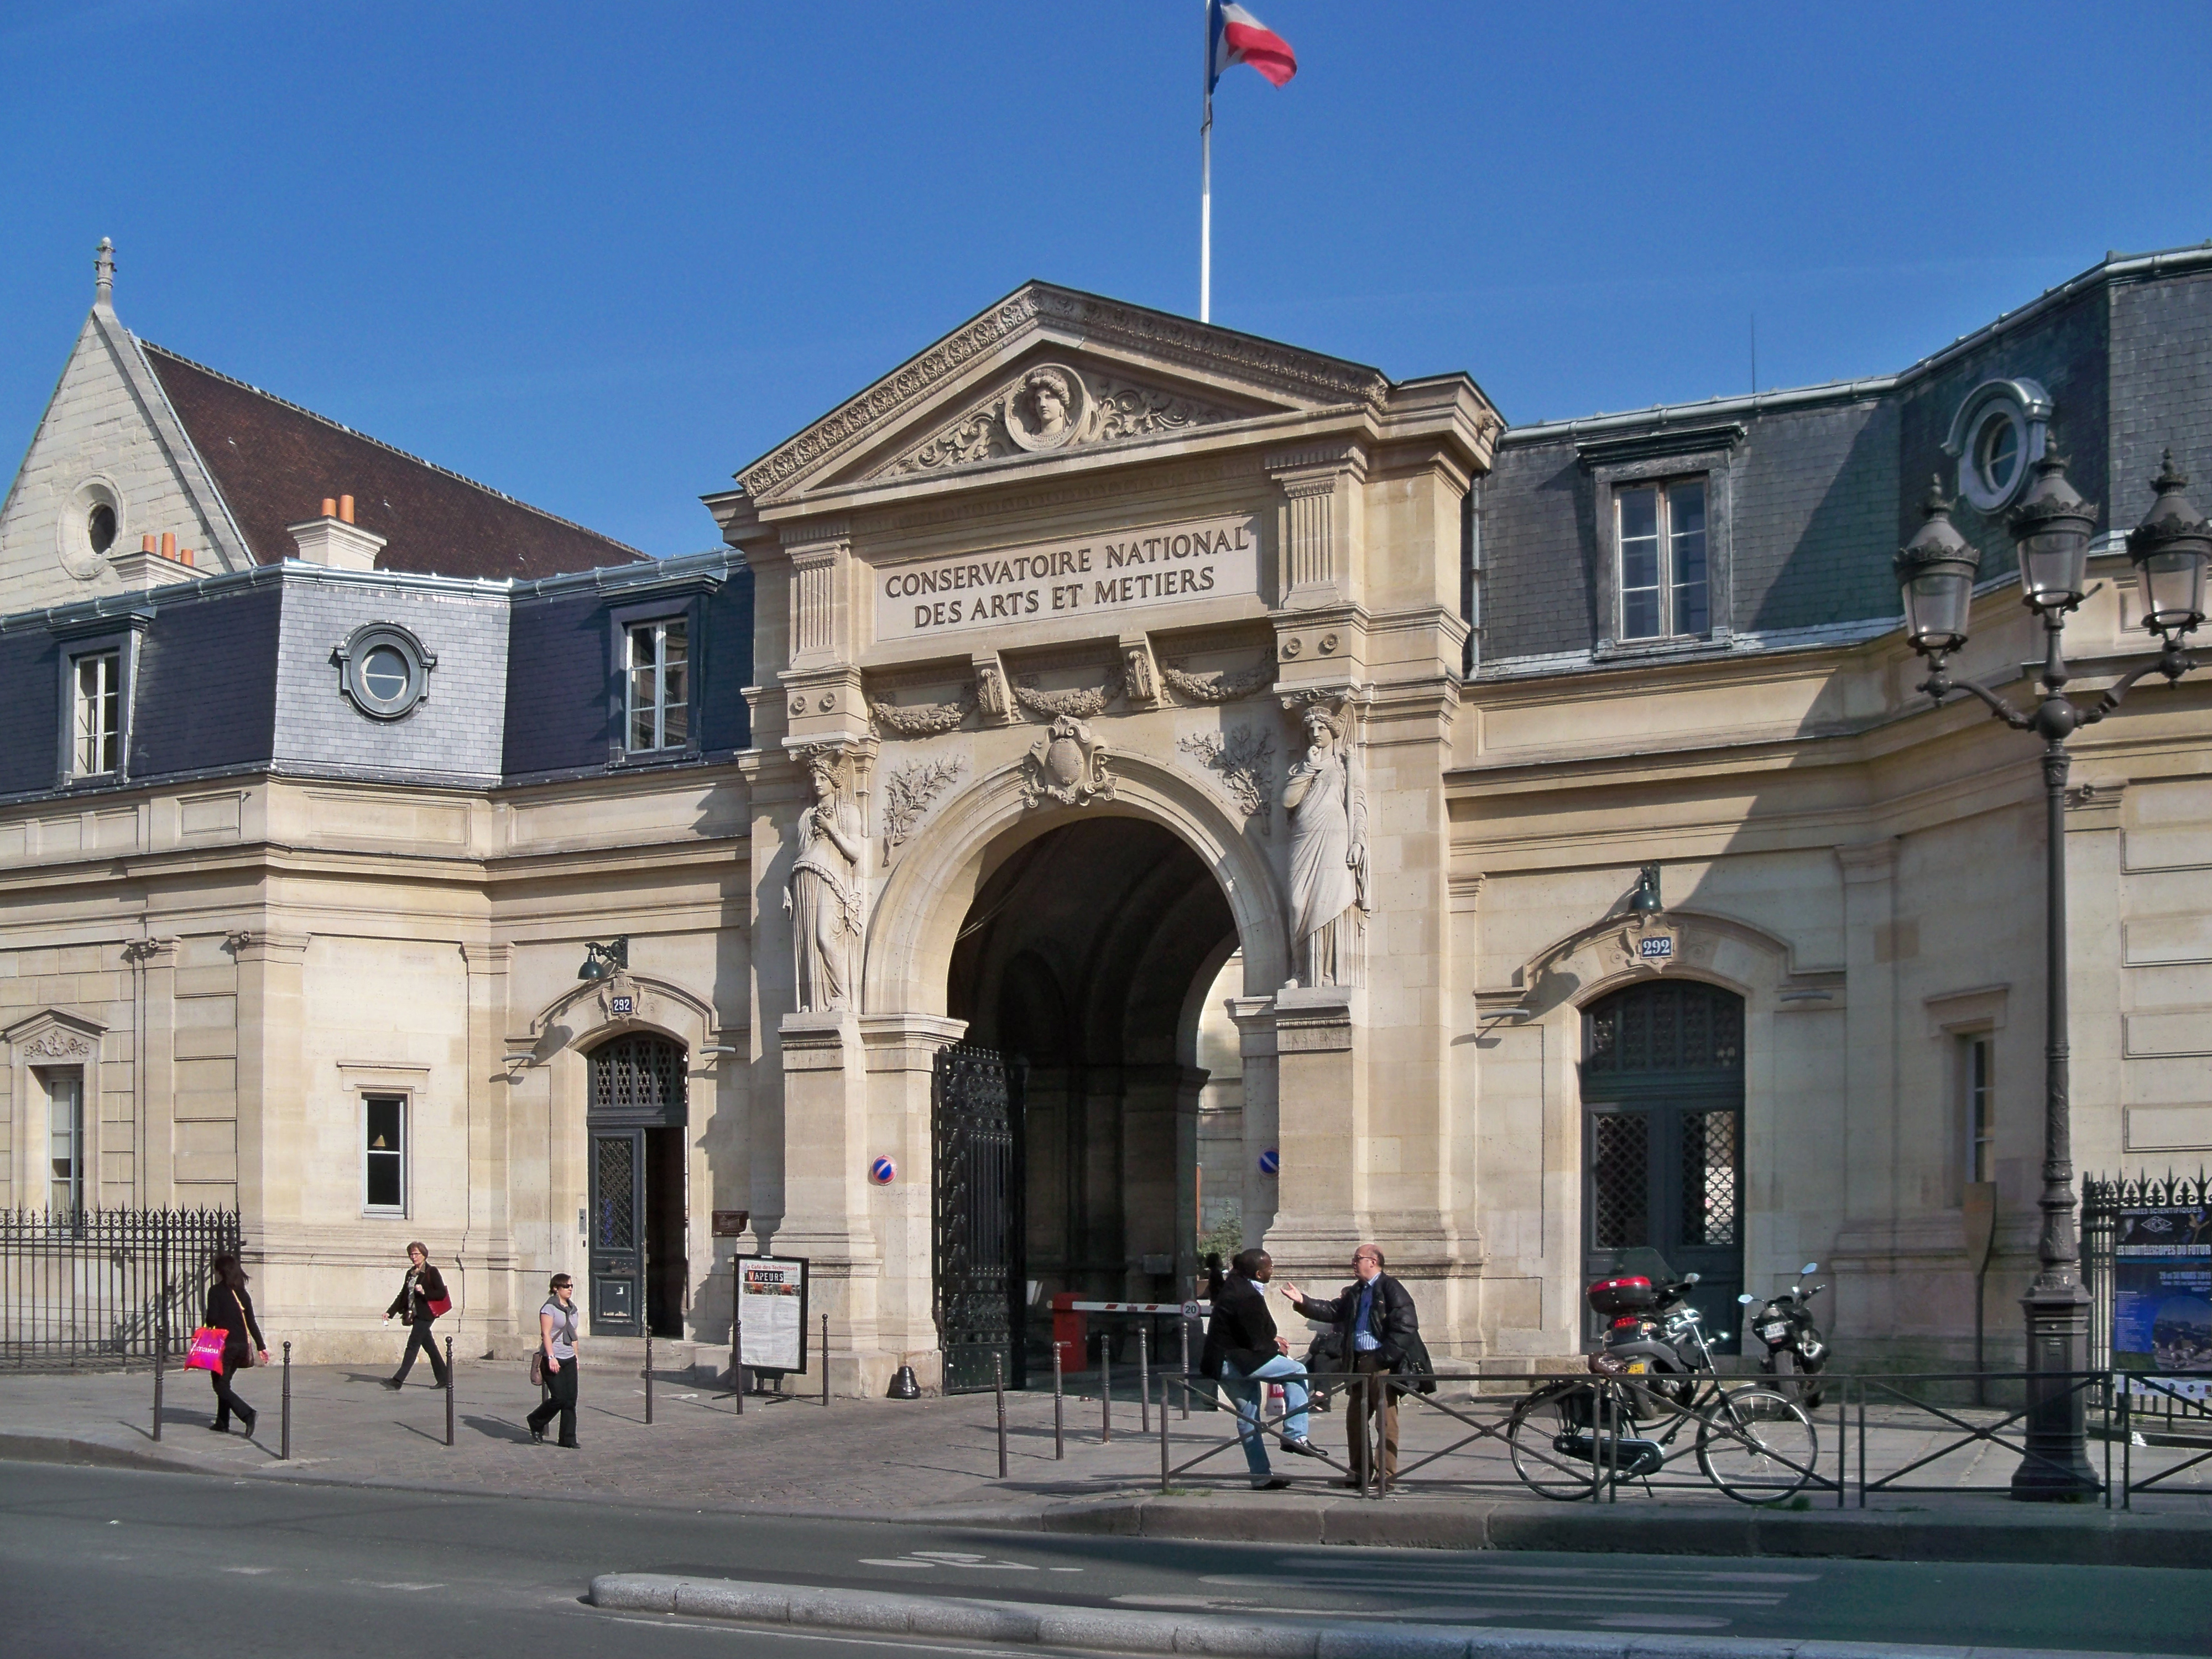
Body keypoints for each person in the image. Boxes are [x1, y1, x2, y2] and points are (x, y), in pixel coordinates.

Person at [1279, 1243, 1420, 1487]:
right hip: (1358, 1363)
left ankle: (1386, 1476)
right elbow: (1334, 1310)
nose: (1353, 1263)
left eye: (1358, 1259)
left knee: (1385, 1420)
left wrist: (1384, 1357)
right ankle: (1359, 1473)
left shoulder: (1391, 1288)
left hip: (1380, 1364)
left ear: (1373, 1262)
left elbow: (1406, 1326)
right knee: (1355, 1419)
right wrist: (1303, 1301)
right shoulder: (1358, 1291)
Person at [1198, 1248, 1317, 1489]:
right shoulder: (1246, 1294)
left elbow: (1251, 1332)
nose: (1273, 1270)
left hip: (1224, 1362)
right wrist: (1274, 1346)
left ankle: (1261, 1477)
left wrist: (1272, 1341)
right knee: (1297, 1372)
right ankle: (1295, 1435)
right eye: (1270, 1267)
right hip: (1237, 1362)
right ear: (1259, 1272)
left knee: (1248, 1417)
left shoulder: (1236, 1286)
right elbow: (1254, 1339)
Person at [204, 1253, 268, 1436]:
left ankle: (247, 1414)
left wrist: (209, 1327)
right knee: (224, 1382)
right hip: (241, 1346)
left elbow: (212, 1318)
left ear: (221, 1272)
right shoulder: (243, 1294)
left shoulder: (215, 1291)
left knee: (220, 1386)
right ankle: (222, 1422)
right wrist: (261, 1346)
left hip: (225, 1346)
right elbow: (252, 1322)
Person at [380, 1241, 450, 1390]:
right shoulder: (411, 1273)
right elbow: (403, 1296)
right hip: (415, 1315)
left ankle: (398, 1380)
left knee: (413, 1345)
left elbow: (441, 1293)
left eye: (416, 1254)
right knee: (430, 1347)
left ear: (424, 1254)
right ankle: (445, 1379)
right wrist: (390, 1313)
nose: (414, 1257)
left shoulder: (432, 1271)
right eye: (411, 1254)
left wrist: (425, 1292)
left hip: (426, 1315)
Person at [525, 1273, 581, 1448]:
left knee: (571, 1400)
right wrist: (551, 1357)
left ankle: (568, 1439)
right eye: (566, 1286)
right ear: (556, 1288)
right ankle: (535, 1420)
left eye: (571, 1286)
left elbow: (574, 1336)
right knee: (558, 1398)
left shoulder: (573, 1309)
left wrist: (576, 1357)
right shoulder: (549, 1308)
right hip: (553, 1357)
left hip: (569, 1357)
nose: (570, 1289)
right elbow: (546, 1334)